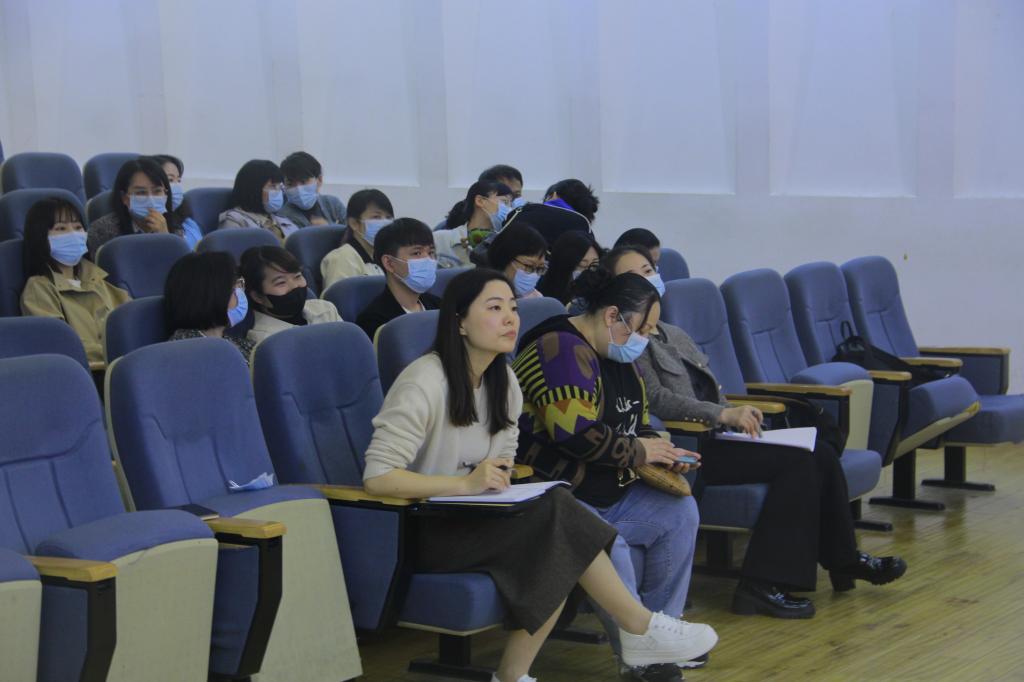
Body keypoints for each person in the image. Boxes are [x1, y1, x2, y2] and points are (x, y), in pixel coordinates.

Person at [363, 268, 718, 682]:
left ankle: (516, 675)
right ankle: (639, 629)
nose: (510, 319)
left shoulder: (504, 383)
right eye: (494, 308)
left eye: (513, 308)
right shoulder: (423, 380)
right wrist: (463, 484)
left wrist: (495, 483)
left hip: (477, 517)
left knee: (558, 531)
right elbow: (379, 478)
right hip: (425, 528)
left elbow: (503, 464)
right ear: (459, 321)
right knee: (559, 525)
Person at [607, 245, 908, 618]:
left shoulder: (673, 333)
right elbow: (658, 400)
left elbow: (710, 387)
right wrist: (723, 414)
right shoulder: (629, 341)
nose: (647, 278)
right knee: (799, 463)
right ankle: (762, 585)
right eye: (634, 274)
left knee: (819, 451)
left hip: (720, 435)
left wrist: (735, 415)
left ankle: (843, 559)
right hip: (689, 444)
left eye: (649, 269)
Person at [512, 269, 706, 680]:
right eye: (643, 329)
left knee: (679, 513)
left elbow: (639, 423)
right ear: (612, 315)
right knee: (606, 542)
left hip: (609, 486)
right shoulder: (559, 349)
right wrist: (640, 451)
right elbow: (575, 434)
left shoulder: (621, 357)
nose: (645, 340)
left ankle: (662, 637)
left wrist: (664, 453)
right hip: (558, 494)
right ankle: (638, 655)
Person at [21, 197, 130, 366]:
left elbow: (131, 318)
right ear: (40, 237)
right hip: (91, 371)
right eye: (61, 228)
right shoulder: (39, 288)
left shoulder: (94, 277)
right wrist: (117, 352)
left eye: (78, 227)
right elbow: (59, 343)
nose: (73, 234)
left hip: (121, 363)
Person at [86, 157, 194, 255]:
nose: (151, 199)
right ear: (124, 198)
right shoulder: (102, 231)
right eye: (141, 192)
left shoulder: (175, 230)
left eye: (157, 191)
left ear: (166, 194)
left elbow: (181, 268)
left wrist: (166, 238)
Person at [355, 218, 441, 340]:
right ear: (389, 263)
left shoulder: (439, 306)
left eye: (431, 252)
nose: (428, 260)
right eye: (417, 253)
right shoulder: (374, 321)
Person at [164, 251, 255, 365]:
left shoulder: (228, 341)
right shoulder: (185, 353)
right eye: (235, 286)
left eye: (240, 284)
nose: (240, 293)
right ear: (211, 295)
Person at [239, 246, 342, 344]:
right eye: (281, 282)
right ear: (258, 296)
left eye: (297, 276)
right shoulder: (263, 339)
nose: (295, 286)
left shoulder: (326, 310)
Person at [320, 189, 392, 289]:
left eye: (388, 218)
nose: (384, 223)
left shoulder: (385, 257)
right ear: (354, 223)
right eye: (376, 217)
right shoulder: (342, 258)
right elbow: (339, 297)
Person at [435, 180, 513, 268]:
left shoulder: (506, 245)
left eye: (511, 204)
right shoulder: (441, 239)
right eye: (504, 202)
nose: (509, 209)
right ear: (479, 201)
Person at [218, 160, 299, 242]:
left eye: (280, 187)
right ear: (254, 189)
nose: (279, 192)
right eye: (273, 186)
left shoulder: (284, 221)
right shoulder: (235, 221)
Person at [146, 154, 202, 249]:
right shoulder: (149, 223)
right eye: (170, 180)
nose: (176, 186)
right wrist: (165, 236)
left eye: (178, 180)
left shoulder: (188, 222)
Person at [277, 151, 347, 227]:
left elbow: (352, 229)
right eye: (290, 184)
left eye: (303, 181)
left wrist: (329, 227)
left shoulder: (332, 204)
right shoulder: (283, 216)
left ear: (319, 180)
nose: (298, 189)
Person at [536, 231, 602, 305]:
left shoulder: (600, 295)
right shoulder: (538, 294)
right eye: (581, 266)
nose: (588, 272)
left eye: (594, 265)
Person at [486, 223, 547, 299]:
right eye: (529, 266)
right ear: (505, 259)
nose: (534, 274)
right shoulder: (480, 294)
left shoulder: (537, 299)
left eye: (540, 268)